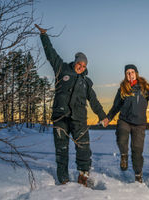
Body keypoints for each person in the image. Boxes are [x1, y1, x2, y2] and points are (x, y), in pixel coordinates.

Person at [35, 24, 108, 186]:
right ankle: (63, 179)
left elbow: (94, 101)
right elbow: (51, 54)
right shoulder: (62, 69)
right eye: (79, 64)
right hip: (60, 117)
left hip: (79, 119)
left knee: (83, 147)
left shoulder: (86, 82)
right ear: (75, 62)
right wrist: (44, 36)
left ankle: (83, 175)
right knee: (61, 149)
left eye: (84, 66)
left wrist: (102, 116)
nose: (81, 67)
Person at [106, 64, 149, 183]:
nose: (130, 75)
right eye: (128, 73)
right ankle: (124, 156)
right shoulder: (122, 89)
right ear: (125, 75)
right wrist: (108, 118)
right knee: (121, 139)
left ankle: (138, 174)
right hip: (125, 120)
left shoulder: (145, 87)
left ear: (136, 73)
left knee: (137, 151)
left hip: (139, 124)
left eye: (132, 72)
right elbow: (115, 106)